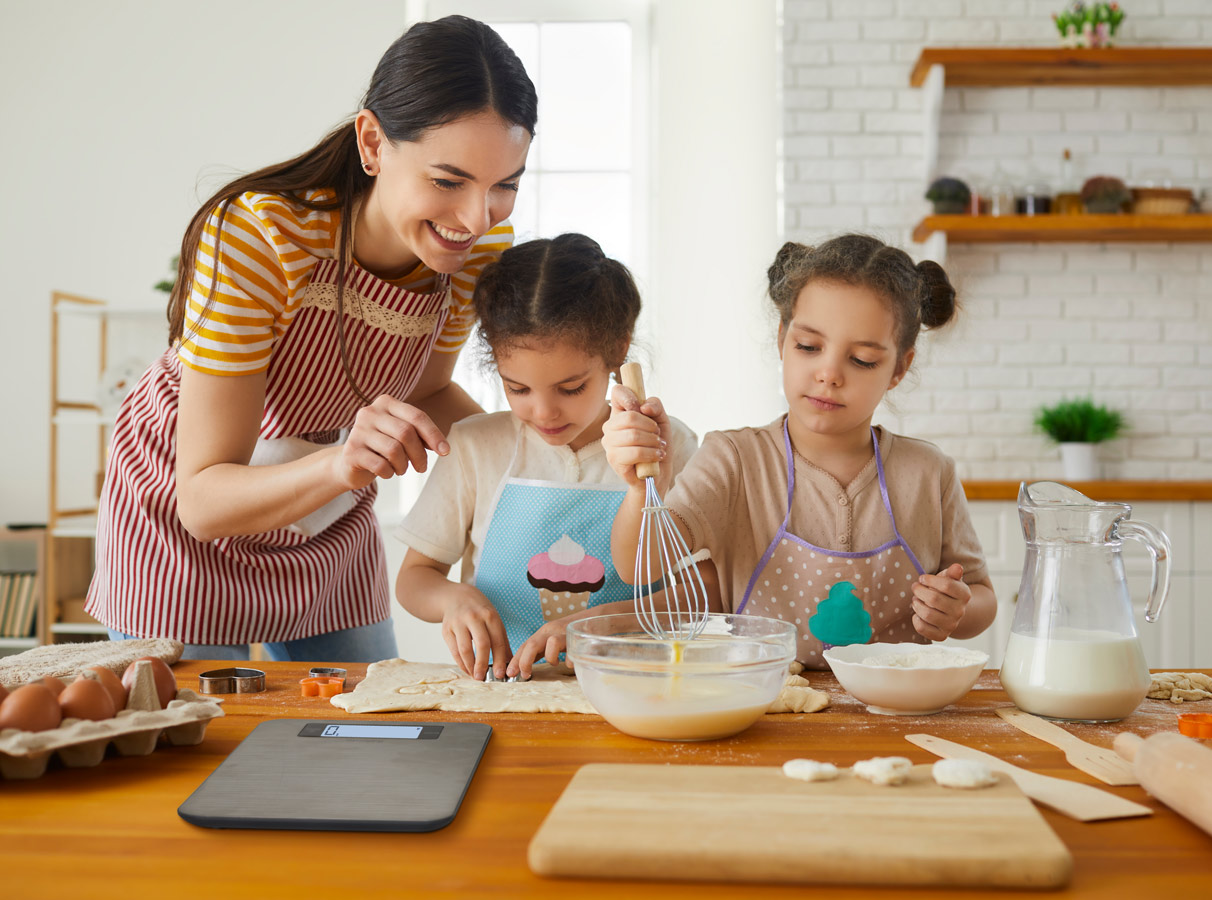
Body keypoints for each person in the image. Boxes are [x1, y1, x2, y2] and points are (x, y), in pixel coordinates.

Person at [86, 17, 536, 661]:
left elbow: (430, 389)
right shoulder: (260, 237)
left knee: (360, 729)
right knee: (199, 741)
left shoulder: (478, 245)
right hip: (185, 514)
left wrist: (541, 453)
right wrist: (342, 465)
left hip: (325, 509)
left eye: (505, 185)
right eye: (447, 180)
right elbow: (204, 500)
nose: (475, 218)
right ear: (374, 142)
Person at [603, 234, 997, 669]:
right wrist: (644, 491)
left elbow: (981, 596)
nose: (828, 373)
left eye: (862, 359)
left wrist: (956, 609)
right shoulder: (734, 460)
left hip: (897, 714)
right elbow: (639, 567)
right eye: (809, 347)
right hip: (766, 708)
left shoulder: (927, 472)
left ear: (898, 368)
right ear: (782, 340)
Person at [393, 234, 701, 681]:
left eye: (570, 387)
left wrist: (601, 624)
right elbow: (414, 579)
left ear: (618, 349)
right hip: (503, 691)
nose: (543, 412)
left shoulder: (670, 449)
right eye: (517, 388)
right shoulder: (476, 446)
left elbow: (700, 594)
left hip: (639, 689)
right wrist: (452, 599)